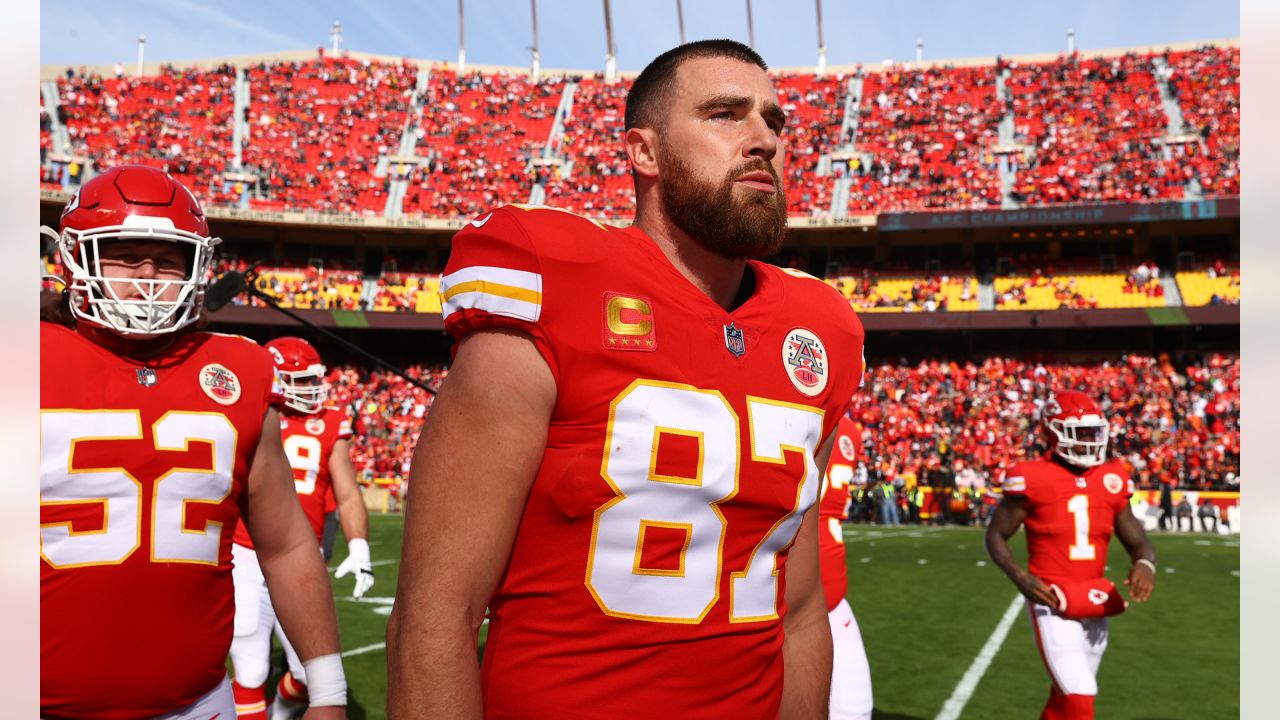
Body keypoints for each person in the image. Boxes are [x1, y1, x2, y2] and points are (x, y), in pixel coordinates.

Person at [388, 40, 865, 719]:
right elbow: (436, 616)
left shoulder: (821, 327)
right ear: (644, 152)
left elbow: (801, 612)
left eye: (773, 121)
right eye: (726, 115)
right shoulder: (555, 280)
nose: (763, 140)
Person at [39, 165, 347, 719]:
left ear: (198, 264)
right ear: (75, 259)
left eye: (169, 257)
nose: (150, 275)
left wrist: (328, 691)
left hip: (198, 705)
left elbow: (287, 545)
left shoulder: (239, 368)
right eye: (126, 253)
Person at [986, 391, 1156, 720]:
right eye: (1082, 433)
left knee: (1067, 696)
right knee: (1080, 695)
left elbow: (1138, 541)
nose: (1091, 441)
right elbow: (995, 534)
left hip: (1095, 598)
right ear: (1054, 432)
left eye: (1095, 432)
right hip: (1050, 595)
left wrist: (1145, 563)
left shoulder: (1112, 478)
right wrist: (1019, 576)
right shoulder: (1031, 476)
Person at [229, 336, 374, 720]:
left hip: (303, 557)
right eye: (304, 381)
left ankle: (278, 712)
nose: (314, 389)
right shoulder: (251, 411)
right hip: (245, 554)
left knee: (310, 674)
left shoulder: (329, 421)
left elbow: (347, 494)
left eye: (315, 380)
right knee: (251, 669)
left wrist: (359, 545)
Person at [819, 414, 874, 720]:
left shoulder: (849, 431)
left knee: (855, 709)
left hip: (827, 598)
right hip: (785, 602)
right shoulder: (849, 431)